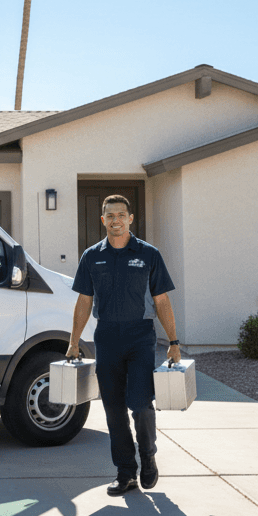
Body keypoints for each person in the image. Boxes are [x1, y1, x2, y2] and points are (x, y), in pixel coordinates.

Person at [66, 194, 180, 496]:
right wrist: (73, 341)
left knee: (140, 404)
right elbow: (84, 301)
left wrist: (174, 341)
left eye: (121, 215)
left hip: (140, 336)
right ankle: (126, 472)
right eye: (110, 215)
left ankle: (148, 455)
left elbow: (162, 300)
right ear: (103, 220)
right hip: (106, 337)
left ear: (130, 219)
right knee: (113, 410)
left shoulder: (148, 254)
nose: (115, 220)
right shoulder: (92, 256)